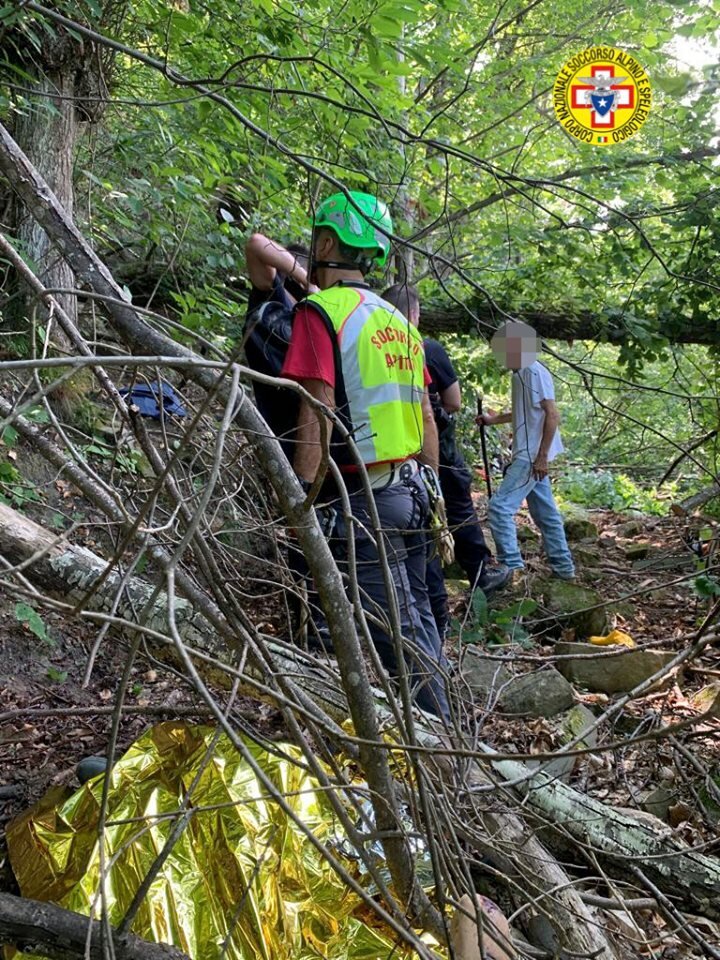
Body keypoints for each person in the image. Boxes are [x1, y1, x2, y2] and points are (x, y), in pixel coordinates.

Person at [280, 191, 449, 718]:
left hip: (365, 501)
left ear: (328, 244)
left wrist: (300, 506)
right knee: (419, 620)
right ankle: (448, 730)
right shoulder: (397, 321)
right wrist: (434, 494)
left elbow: (316, 413)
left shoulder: (321, 313)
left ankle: (441, 747)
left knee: (395, 639)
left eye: (317, 240)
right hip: (414, 491)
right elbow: (425, 417)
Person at [381, 283, 510, 638]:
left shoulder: (373, 347)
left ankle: (421, 606)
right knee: (454, 505)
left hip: (391, 449)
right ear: (415, 313)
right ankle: (480, 572)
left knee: (415, 526)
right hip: (434, 443)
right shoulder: (425, 348)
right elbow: (453, 402)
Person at [478, 321, 575, 580]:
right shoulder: (520, 373)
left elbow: (552, 414)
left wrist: (541, 457)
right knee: (546, 514)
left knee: (499, 508)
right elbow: (523, 411)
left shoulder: (533, 371)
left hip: (531, 455)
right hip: (529, 453)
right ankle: (564, 570)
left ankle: (512, 570)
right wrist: (492, 420)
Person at [243, 235, 317, 457]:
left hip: (308, 433)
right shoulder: (272, 302)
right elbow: (257, 244)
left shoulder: (313, 318)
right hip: (278, 435)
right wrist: (308, 282)